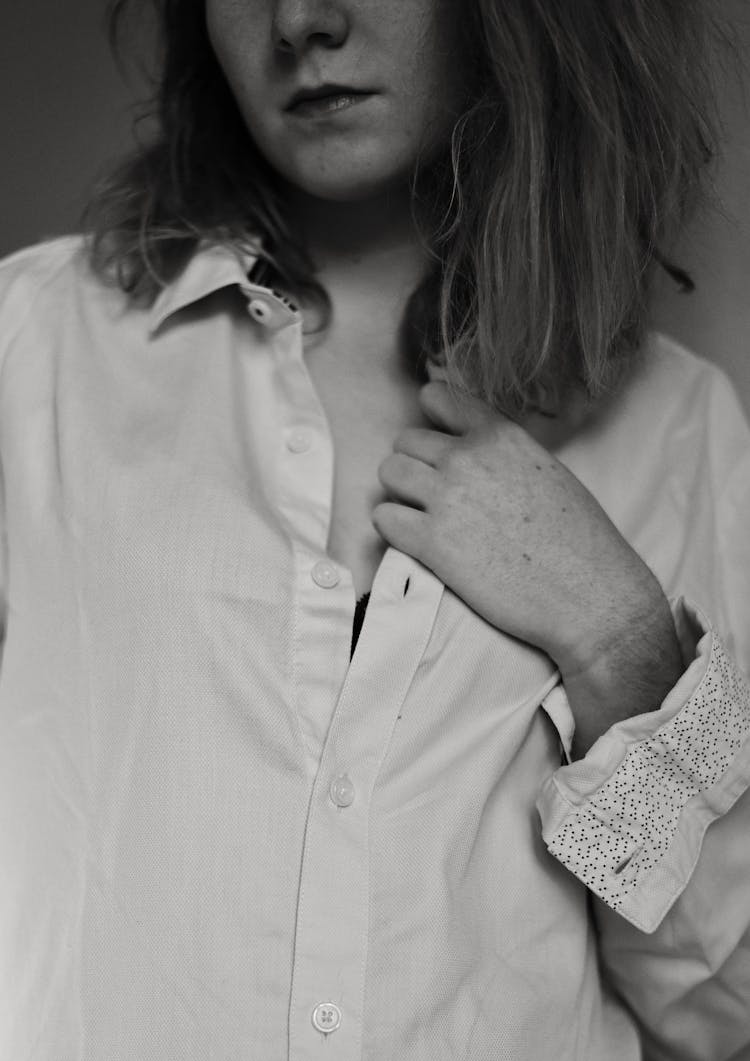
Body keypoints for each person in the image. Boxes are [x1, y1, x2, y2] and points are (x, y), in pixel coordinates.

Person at [1, 0, 749, 1057]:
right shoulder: (29, 352)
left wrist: (620, 639)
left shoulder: (678, 430)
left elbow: (725, 1011)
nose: (300, 20)